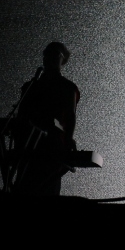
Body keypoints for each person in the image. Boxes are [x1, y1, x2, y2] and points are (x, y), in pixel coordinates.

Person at [14, 41, 80, 195]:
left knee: (47, 189)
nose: (48, 57)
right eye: (46, 54)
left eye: (54, 54)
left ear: (62, 60)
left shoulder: (68, 87)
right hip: (28, 145)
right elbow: (21, 115)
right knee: (25, 187)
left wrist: (68, 138)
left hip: (52, 144)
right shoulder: (30, 86)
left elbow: (70, 116)